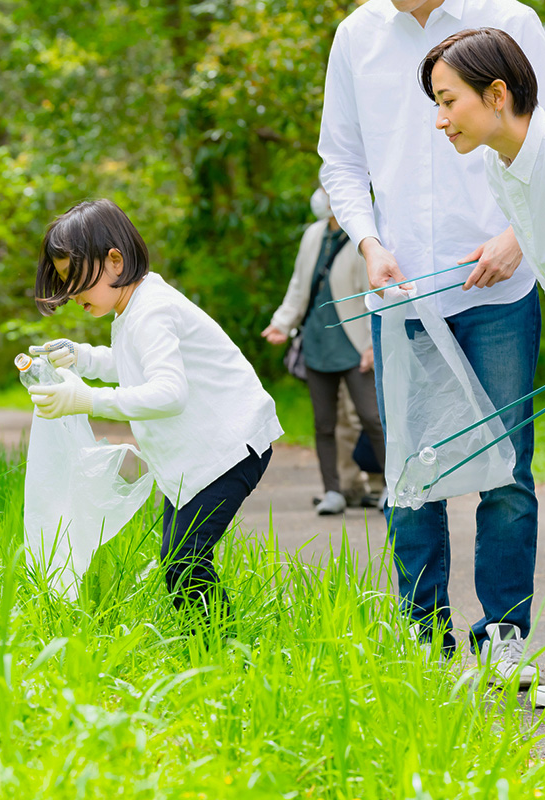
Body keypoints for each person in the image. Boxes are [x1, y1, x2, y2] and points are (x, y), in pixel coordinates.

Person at [318, 0, 545, 686]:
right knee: (412, 474)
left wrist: (519, 235)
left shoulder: (512, 18)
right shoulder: (357, 35)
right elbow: (342, 161)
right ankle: (426, 638)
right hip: (404, 288)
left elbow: (537, 133)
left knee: (506, 465)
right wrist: (369, 244)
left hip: (501, 283)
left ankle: (504, 633)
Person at [27, 199, 283, 631]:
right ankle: (214, 646)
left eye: (75, 279)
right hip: (199, 456)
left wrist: (87, 401)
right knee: (179, 560)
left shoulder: (151, 309)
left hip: (229, 449)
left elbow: (168, 392)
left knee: (183, 563)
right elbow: (132, 365)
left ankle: (225, 650)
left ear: (114, 260)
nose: (71, 293)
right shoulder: (135, 307)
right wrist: (82, 357)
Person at [261, 186, 386, 516]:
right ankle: (332, 490)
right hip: (317, 341)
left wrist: (374, 344)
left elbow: (375, 293)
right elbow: (300, 285)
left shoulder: (364, 237)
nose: (323, 196)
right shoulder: (314, 234)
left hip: (354, 343)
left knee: (372, 417)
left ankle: (390, 486)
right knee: (324, 423)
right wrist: (282, 323)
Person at [420, 28, 545, 284]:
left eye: (449, 101)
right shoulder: (496, 162)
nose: (440, 122)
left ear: (497, 95)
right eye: (438, 104)